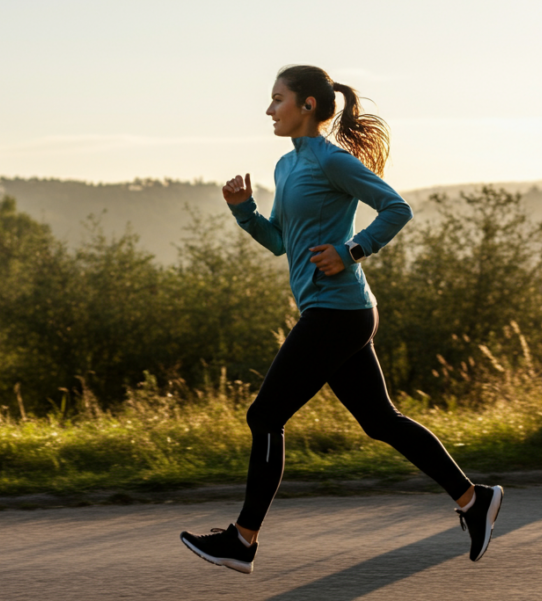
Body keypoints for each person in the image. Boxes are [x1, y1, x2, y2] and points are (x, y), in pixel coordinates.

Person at [179, 65, 503, 575]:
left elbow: (396, 208)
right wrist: (243, 211)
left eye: (277, 99)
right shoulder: (287, 168)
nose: (269, 110)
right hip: (335, 313)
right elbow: (281, 244)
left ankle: (242, 540)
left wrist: (352, 249)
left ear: (307, 105)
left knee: (265, 417)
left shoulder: (332, 161)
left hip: (339, 311)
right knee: (380, 421)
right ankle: (472, 499)